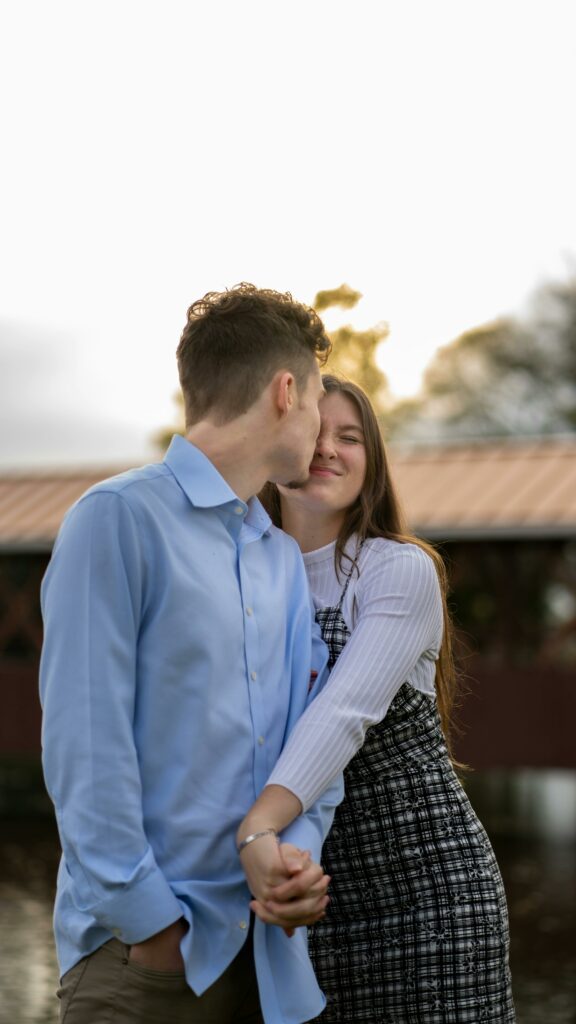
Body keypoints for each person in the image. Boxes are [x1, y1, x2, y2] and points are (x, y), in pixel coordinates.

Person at [39, 284, 345, 1024]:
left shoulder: (279, 559)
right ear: (284, 391)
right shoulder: (115, 521)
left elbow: (309, 745)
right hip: (141, 968)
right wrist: (154, 929)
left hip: (265, 967)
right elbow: (85, 747)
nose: (319, 433)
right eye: (314, 405)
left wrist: (294, 856)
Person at [237, 375, 515, 1023]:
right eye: (314, 432)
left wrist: (257, 828)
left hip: (430, 901)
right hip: (309, 903)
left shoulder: (397, 568)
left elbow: (342, 715)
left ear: (373, 460)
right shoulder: (243, 577)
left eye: (350, 437)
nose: (328, 449)